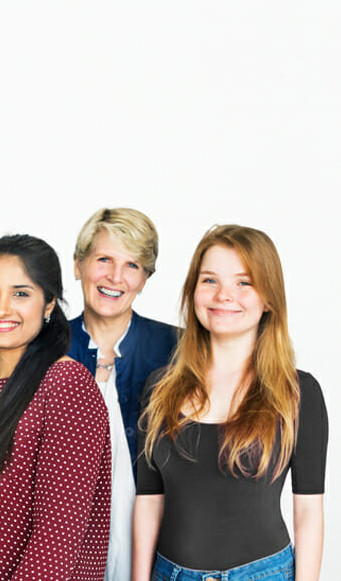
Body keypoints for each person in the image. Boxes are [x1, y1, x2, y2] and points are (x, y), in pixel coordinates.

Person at [134, 225, 326, 581]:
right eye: (209, 280)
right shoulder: (159, 388)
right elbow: (149, 501)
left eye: (244, 282)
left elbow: (308, 512)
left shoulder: (299, 392)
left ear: (269, 298)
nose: (224, 295)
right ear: (193, 291)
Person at [0, 234, 112, 580]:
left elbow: (55, 543)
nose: (2, 308)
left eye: (21, 294)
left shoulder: (66, 383)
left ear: (49, 304)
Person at [66, 208, 177, 581]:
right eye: (104, 260)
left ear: (145, 279)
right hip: (66, 549)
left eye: (132, 265)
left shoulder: (179, 349)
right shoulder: (44, 348)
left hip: (158, 550)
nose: (115, 277)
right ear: (78, 264)